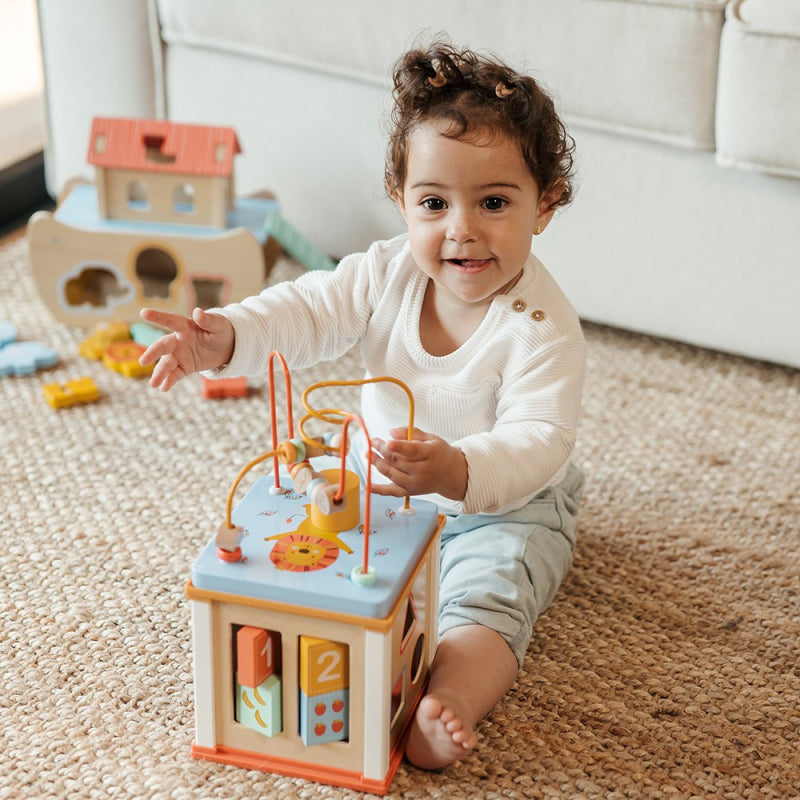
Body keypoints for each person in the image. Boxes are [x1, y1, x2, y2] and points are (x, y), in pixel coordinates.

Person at [140, 40, 585, 771]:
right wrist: (229, 336)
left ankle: (451, 697)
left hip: (500, 506)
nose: (461, 229)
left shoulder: (543, 328)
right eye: (434, 203)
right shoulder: (388, 272)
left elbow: (540, 437)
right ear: (400, 198)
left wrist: (457, 468)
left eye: (494, 202)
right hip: (378, 482)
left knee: (487, 601)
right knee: (306, 538)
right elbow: (308, 310)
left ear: (546, 204)